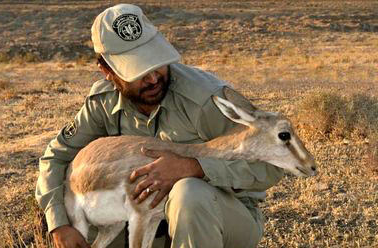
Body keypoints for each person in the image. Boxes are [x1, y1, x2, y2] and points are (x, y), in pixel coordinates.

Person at [35, 4, 284, 248]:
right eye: (138, 70)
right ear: (106, 71)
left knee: (189, 193)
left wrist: (195, 167)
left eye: (156, 63)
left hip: (221, 218)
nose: (153, 78)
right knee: (78, 215)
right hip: (145, 222)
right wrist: (58, 224)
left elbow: (271, 163)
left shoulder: (205, 99)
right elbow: (55, 157)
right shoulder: (102, 102)